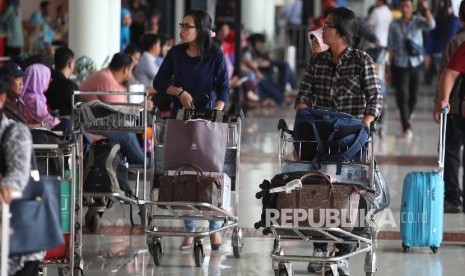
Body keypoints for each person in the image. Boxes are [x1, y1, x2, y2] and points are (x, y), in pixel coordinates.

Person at [295, 7, 383, 275]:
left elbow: (375, 98)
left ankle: (343, 251)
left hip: (352, 139)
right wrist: (303, 111)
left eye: (329, 26)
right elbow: (304, 92)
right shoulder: (318, 62)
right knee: (318, 192)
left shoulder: (361, 61)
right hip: (321, 140)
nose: (323, 29)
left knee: (353, 194)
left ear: (343, 32)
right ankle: (321, 246)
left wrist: (364, 126)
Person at [153, 9, 228, 250]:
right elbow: (159, 82)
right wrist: (180, 91)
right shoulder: (175, 53)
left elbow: (223, 88)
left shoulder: (215, 55)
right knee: (184, 174)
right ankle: (190, 229)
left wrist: (215, 113)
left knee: (210, 174)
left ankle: (214, 228)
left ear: (202, 31)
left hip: (208, 120)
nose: (182, 30)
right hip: (182, 120)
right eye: (182, 25)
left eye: (187, 26)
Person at [0, 73, 41, 276]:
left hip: (17, 239)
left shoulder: (15, 133)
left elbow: (18, 174)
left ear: (1, 99)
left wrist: (5, 187)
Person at [79, 53, 147, 165]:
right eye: (131, 70)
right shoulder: (106, 80)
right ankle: (145, 162)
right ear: (126, 70)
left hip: (99, 121)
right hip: (93, 124)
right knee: (127, 135)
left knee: (132, 131)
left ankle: (141, 159)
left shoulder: (108, 76)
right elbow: (119, 109)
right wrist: (140, 106)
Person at [387, 0, 436, 139]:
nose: (405, 8)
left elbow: (432, 25)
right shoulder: (394, 25)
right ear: (399, 8)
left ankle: (406, 119)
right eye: (403, 6)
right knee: (402, 96)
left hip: (416, 63)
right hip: (400, 64)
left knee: (413, 97)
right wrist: (388, 69)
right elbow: (390, 48)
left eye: (408, 6)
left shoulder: (418, 21)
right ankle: (406, 127)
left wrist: (425, 8)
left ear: (411, 8)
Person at [433, 0, 465, 213]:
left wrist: (442, 100)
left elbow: (446, 73)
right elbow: (450, 73)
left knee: (451, 152)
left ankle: (453, 198)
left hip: (454, 109)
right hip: (457, 107)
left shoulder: (457, 41)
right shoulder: (460, 45)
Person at [21, 63, 60, 129]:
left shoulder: (27, 94)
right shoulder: (33, 99)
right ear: (40, 80)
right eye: (48, 78)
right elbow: (47, 120)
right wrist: (61, 123)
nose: (49, 81)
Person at [45, 46, 81, 117]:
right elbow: (81, 110)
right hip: (67, 125)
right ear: (70, 64)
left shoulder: (46, 80)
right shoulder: (70, 86)